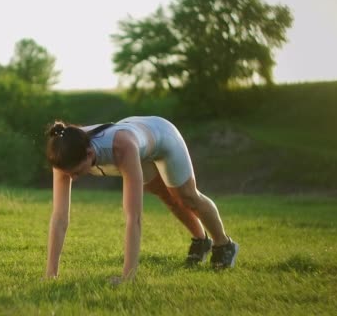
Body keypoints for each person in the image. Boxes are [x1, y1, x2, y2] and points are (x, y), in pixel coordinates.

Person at [44, 116, 238, 281]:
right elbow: (59, 217)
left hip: (162, 136)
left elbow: (133, 218)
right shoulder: (63, 152)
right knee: (165, 195)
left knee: (186, 196)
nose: (73, 179)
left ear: (89, 154)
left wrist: (127, 277)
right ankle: (201, 240)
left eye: (77, 173)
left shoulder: (122, 147)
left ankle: (223, 244)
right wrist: (50, 274)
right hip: (137, 137)